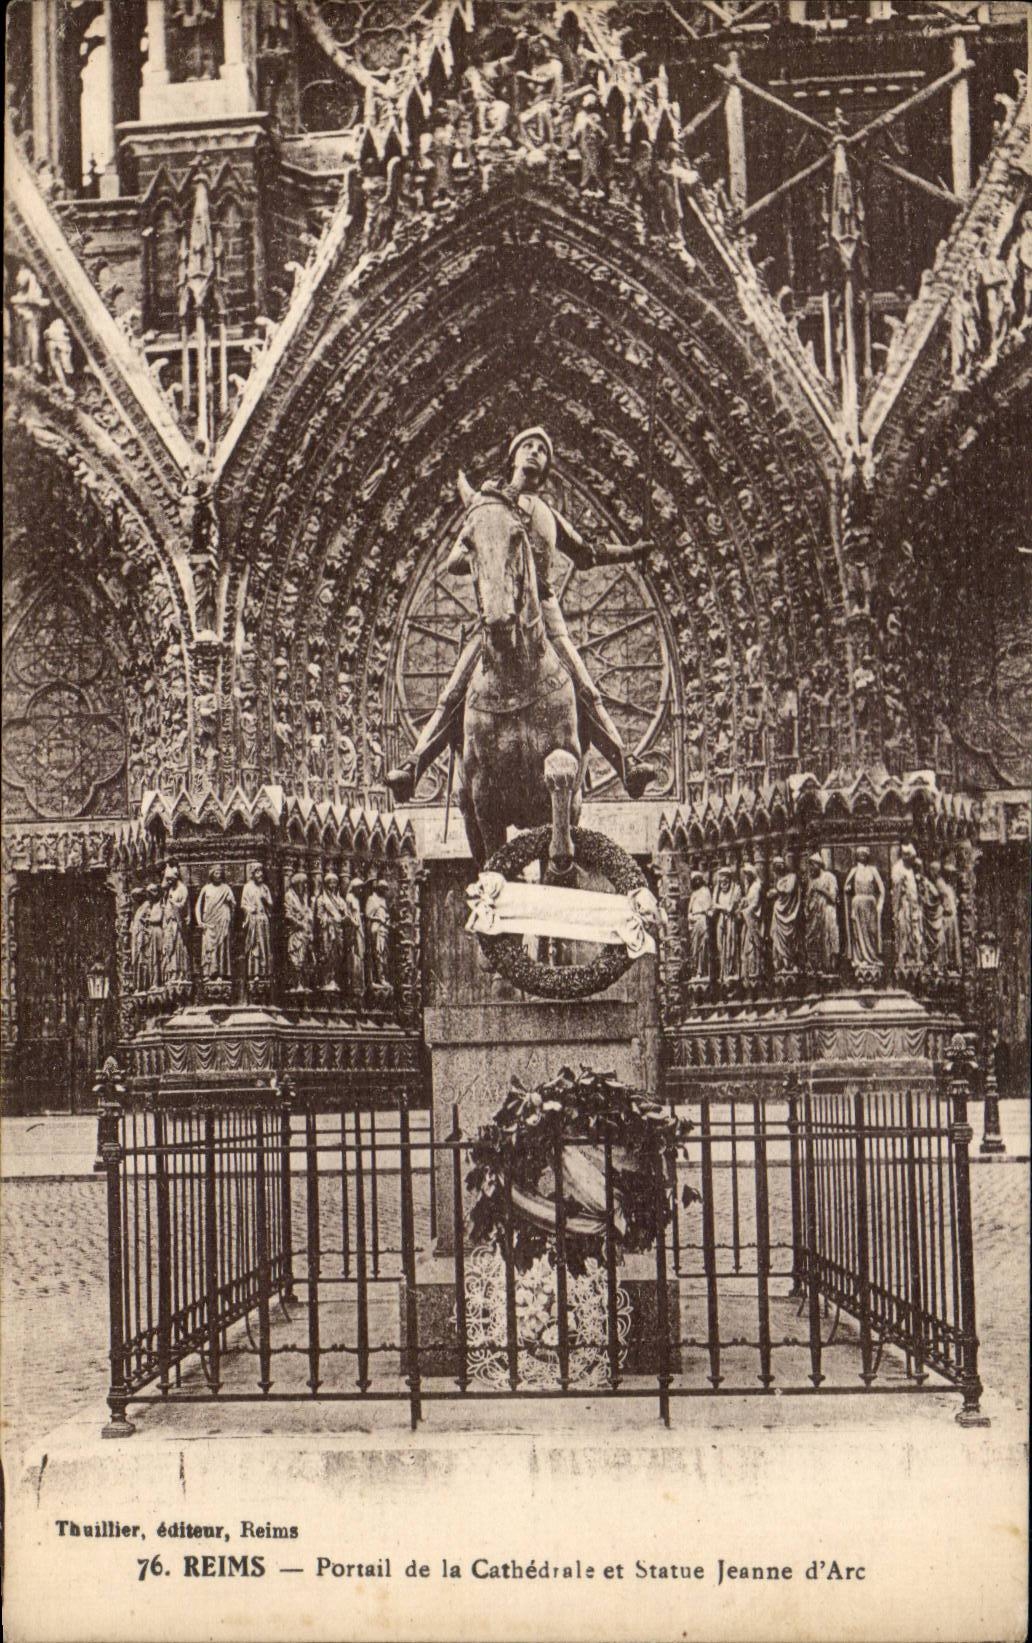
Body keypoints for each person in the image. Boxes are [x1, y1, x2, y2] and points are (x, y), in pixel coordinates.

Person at [386, 427, 657, 802]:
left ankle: (627, 764)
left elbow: (587, 554)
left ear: (546, 467)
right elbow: (454, 562)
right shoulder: (488, 505)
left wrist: (632, 552)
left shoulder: (547, 513)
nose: (534, 453)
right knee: (452, 693)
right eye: (527, 447)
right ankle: (413, 766)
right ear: (512, 457)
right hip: (497, 612)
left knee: (585, 685)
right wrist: (488, 557)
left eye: (542, 450)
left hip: (545, 613)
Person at [844, 846, 885, 976]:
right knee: (858, 933)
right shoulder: (854, 870)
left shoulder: (873, 870)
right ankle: (860, 958)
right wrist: (847, 888)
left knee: (871, 931)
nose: (862, 856)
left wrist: (880, 904)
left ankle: (872, 957)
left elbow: (882, 889)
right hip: (857, 903)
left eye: (864, 854)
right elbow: (846, 888)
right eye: (860, 854)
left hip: (871, 904)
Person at [195, 865, 235, 982]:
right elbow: (198, 905)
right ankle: (207, 972)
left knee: (221, 947)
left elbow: (233, 905)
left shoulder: (226, 888)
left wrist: (230, 901)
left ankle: (221, 973)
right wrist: (199, 921)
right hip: (209, 921)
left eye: (220, 873)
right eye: (216, 873)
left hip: (222, 921)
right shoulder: (206, 888)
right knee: (208, 947)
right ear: (212, 875)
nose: (218, 875)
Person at [768, 855, 801, 979]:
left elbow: (789, 890)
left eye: (780, 866)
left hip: (790, 914)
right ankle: (782, 963)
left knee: (790, 939)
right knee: (777, 936)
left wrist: (776, 891)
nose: (778, 869)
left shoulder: (792, 877)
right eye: (776, 867)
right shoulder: (779, 880)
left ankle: (791, 963)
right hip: (778, 912)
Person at [241, 862, 273, 983]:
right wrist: (250, 909)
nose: (261, 874)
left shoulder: (265, 888)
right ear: (253, 874)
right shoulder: (247, 887)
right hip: (253, 920)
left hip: (263, 919)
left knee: (264, 946)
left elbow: (270, 904)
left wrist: (265, 900)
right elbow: (243, 904)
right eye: (258, 872)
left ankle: (264, 972)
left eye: (261, 871)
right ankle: (254, 972)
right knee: (254, 946)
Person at [161, 861, 191, 985]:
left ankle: (179, 972)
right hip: (169, 924)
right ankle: (171, 972)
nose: (168, 882)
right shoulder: (170, 889)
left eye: (169, 880)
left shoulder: (182, 889)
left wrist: (174, 904)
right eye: (167, 880)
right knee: (170, 949)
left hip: (177, 924)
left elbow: (184, 905)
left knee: (177, 948)